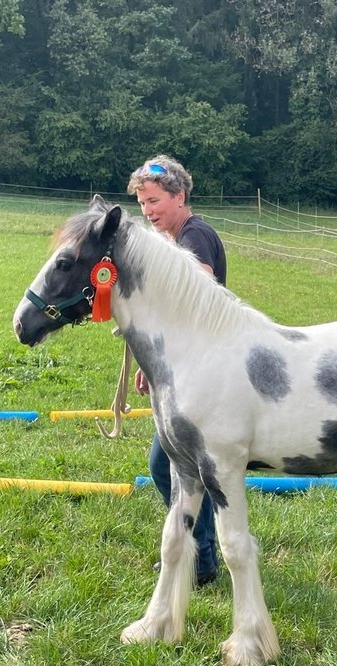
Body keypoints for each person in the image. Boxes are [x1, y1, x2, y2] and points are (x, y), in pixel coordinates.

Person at [126, 155, 227, 586]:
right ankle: (198, 555)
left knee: (176, 464)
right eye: (143, 204)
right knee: (172, 464)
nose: (148, 211)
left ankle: (200, 559)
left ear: (179, 196)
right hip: (186, 367)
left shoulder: (195, 235)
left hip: (201, 372)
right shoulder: (176, 236)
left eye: (154, 201)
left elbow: (200, 286)